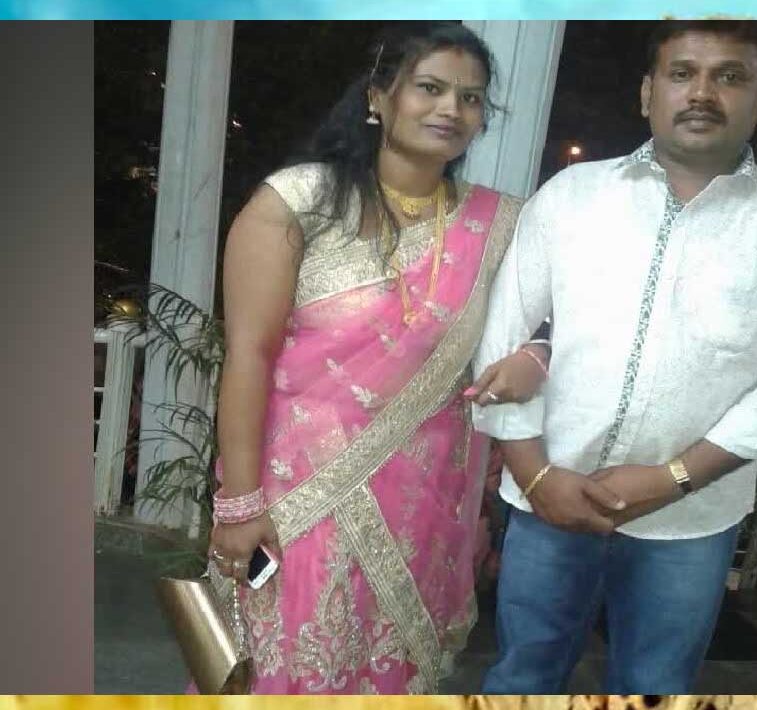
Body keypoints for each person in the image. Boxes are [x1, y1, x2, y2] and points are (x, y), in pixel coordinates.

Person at [471, 20, 757, 693]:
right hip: (548, 496)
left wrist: (672, 478)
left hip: (689, 519)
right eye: (682, 73)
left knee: (654, 682)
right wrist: (534, 478)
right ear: (648, 92)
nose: (701, 92)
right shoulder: (572, 195)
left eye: (729, 76)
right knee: (523, 678)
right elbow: (502, 338)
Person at [206, 22, 548, 694]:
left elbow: (556, 321)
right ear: (377, 97)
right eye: (430, 88)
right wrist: (240, 504)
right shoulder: (299, 200)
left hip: (425, 503)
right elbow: (248, 352)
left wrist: (535, 355)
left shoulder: (501, 224)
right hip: (295, 495)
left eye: (470, 98)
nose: (451, 109)